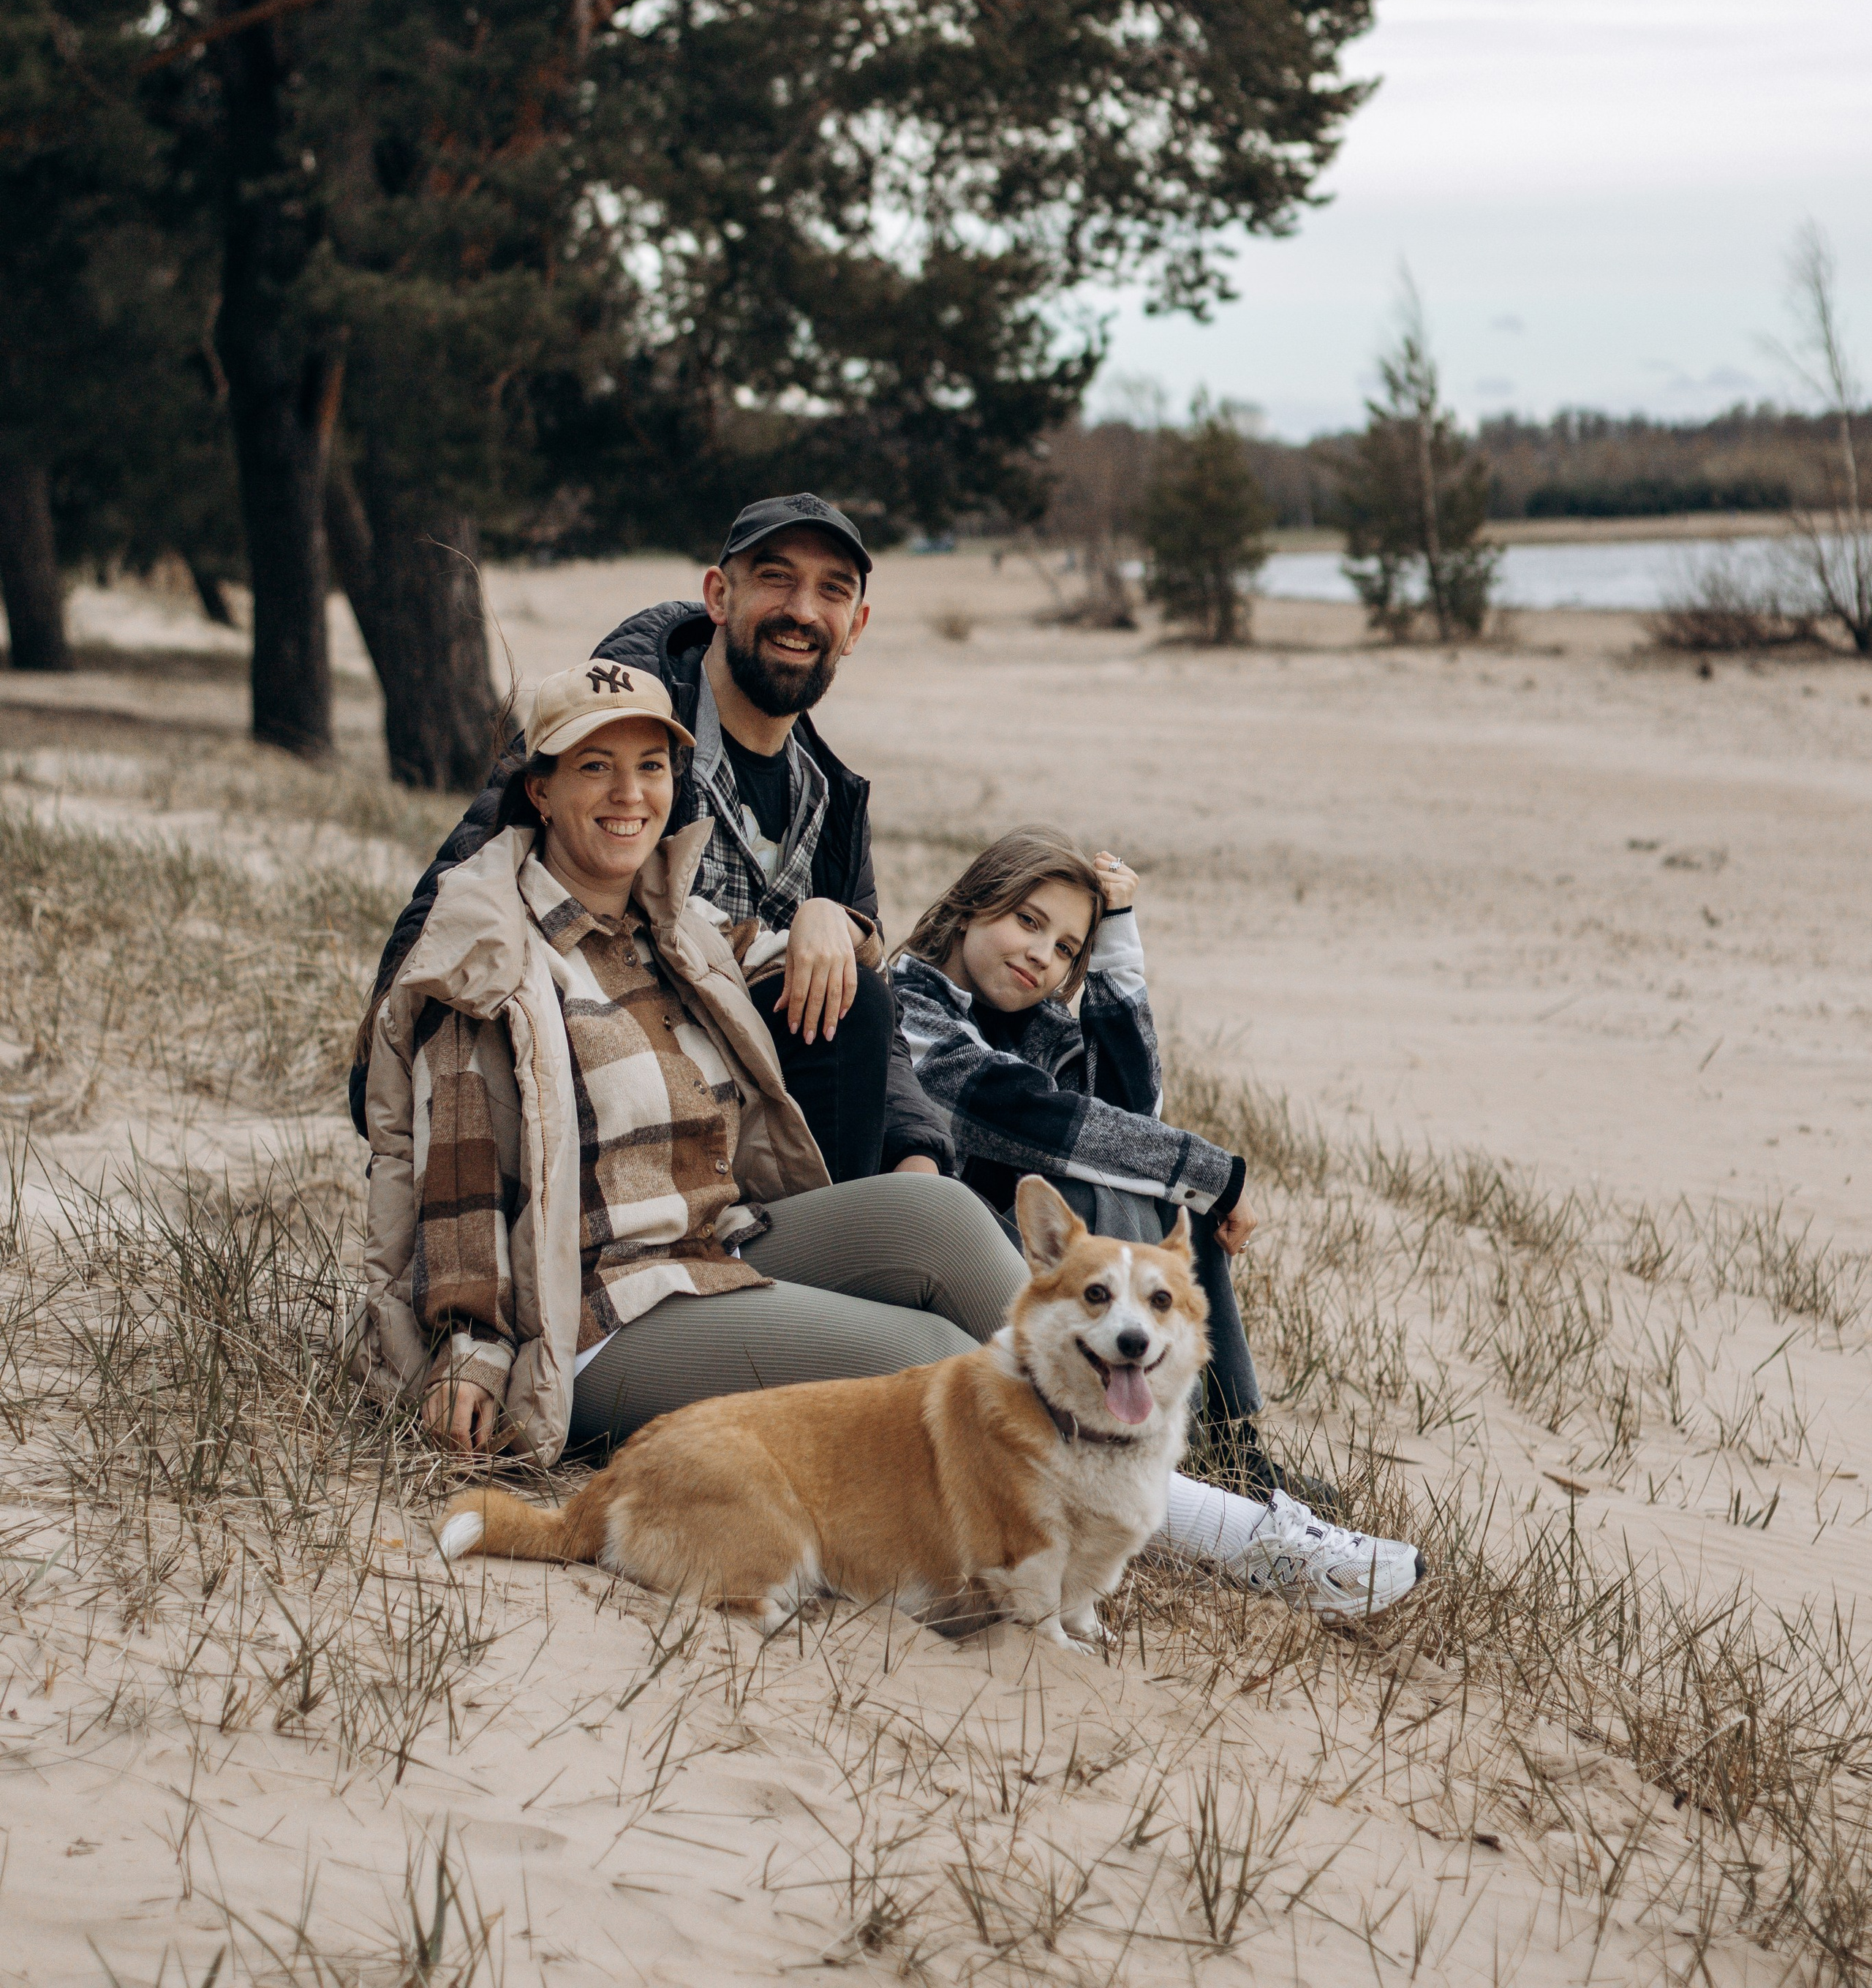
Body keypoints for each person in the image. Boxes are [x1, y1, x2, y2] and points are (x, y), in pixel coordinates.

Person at [360, 663, 1424, 1615]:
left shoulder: (672, 925)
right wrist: (472, 1342)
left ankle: (1142, 1469)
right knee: (935, 1361)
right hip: (599, 1308)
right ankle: (1249, 1544)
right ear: (538, 788)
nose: (629, 795)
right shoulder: (492, 956)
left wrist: (832, 918)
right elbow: (454, 1172)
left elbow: (805, 955)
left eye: (650, 766)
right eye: (594, 767)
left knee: (941, 1213)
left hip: (718, 1246)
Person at [351, 493, 949, 1190]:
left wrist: (917, 1152)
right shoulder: (612, 731)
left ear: (855, 628)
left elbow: (878, 1014)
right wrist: (381, 1085)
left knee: (940, 1177)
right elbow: (465, 872)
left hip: (772, 1128)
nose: (803, 611)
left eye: (832, 591)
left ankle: (860, 1242)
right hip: (629, 1102)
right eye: (776, 577)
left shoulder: (833, 800)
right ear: (719, 595)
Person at [891, 829, 1321, 1509]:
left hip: (1053, 1283)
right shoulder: (909, 1010)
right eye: (1027, 921)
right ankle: (1151, 1447)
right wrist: (1217, 1176)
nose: (1041, 955)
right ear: (971, 906)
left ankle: (1233, 1448)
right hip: (955, 1266)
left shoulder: (1036, 1025)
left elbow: (1137, 1116)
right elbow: (1039, 1119)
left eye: (1065, 948)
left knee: (1170, 1200)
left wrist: (1118, 941)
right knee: (1100, 1179)